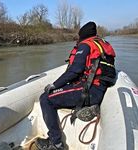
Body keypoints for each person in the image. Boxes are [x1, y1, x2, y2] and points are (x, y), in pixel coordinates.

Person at [36, 21, 116, 150]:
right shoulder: (101, 44)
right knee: (62, 90)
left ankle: (55, 143)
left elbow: (75, 70)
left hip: (88, 91)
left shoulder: (85, 46)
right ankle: (90, 107)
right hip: (98, 89)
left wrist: (54, 85)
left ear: (82, 35)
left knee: (45, 99)